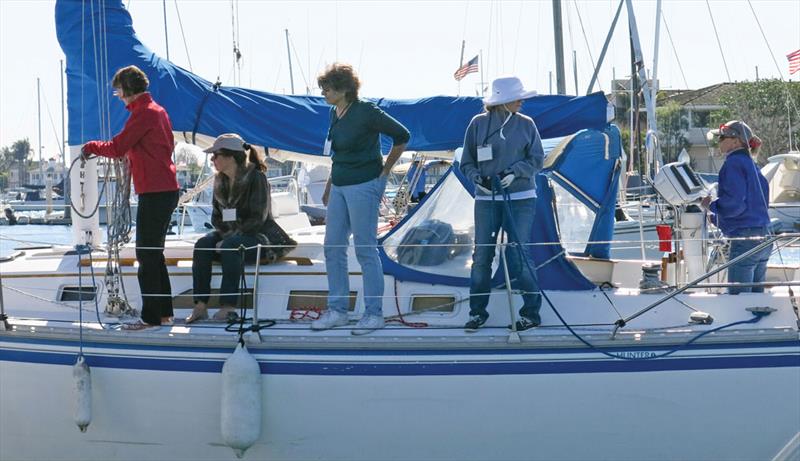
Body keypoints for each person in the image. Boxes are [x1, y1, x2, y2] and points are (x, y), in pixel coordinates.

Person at [311, 63, 410, 335]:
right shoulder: (335, 112)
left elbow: (403, 136)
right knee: (333, 247)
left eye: (327, 89)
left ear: (343, 88)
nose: (324, 94)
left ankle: (374, 314)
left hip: (364, 185)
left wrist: (384, 172)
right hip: (341, 185)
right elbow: (336, 153)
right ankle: (338, 310)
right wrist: (331, 183)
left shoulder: (366, 111)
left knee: (365, 250)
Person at [82, 65, 179, 330]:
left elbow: (117, 147)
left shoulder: (145, 114)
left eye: (119, 92)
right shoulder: (157, 111)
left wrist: (90, 147)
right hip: (164, 189)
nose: (119, 97)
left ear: (126, 90)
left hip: (156, 192)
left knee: (146, 254)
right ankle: (164, 314)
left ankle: (150, 318)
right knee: (153, 254)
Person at [459, 76, 544, 332]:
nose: (522, 101)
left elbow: (538, 160)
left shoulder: (527, 125)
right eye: (517, 97)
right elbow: (467, 163)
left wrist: (514, 172)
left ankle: (531, 314)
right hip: (486, 199)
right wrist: (478, 180)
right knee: (482, 255)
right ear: (502, 101)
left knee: (520, 253)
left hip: (522, 199)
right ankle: (477, 313)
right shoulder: (477, 124)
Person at [186, 134, 296, 323]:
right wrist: (225, 236)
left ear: (231, 156)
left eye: (216, 155)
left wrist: (228, 239)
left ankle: (228, 307)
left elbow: (257, 218)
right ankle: (200, 306)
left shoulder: (256, 178)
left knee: (231, 246)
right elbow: (216, 217)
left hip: (260, 237)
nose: (212, 160)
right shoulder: (220, 181)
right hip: (230, 236)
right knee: (203, 245)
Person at [701, 120, 770, 294]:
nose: (719, 141)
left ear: (735, 141)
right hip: (764, 236)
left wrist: (712, 205)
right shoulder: (752, 164)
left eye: (722, 137)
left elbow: (735, 205)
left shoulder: (733, 163)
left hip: (745, 239)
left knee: (738, 299)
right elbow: (755, 205)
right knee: (754, 300)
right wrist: (716, 218)